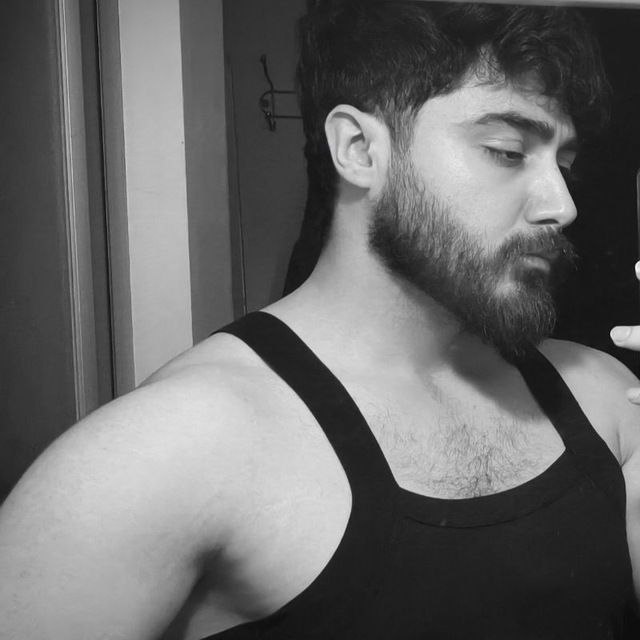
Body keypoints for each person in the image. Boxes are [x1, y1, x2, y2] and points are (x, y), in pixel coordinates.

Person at [1, 1, 640, 638]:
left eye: (564, 163)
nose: (562, 204)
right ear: (359, 149)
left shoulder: (606, 398)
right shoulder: (163, 452)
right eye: (507, 151)